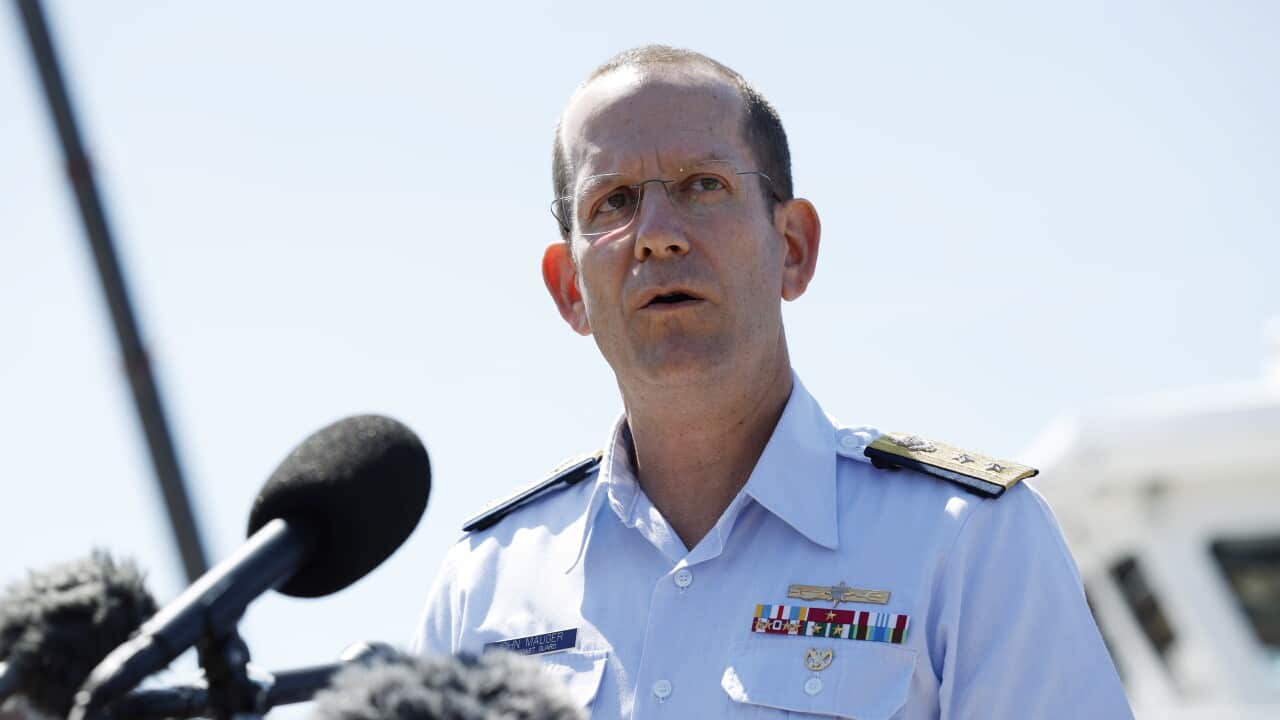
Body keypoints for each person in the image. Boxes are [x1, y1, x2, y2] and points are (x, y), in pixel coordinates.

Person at [412, 45, 1131, 719]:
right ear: (569, 288)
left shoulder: (970, 544)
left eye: (703, 185)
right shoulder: (485, 585)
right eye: (614, 202)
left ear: (793, 248)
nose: (658, 233)